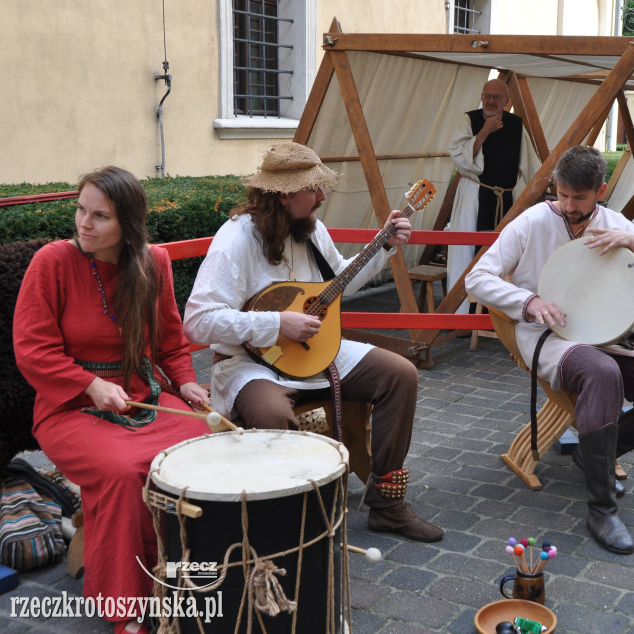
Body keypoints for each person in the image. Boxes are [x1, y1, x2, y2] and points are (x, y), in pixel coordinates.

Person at [183, 142, 443, 543]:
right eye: (313, 189)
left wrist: (384, 245)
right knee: (271, 415)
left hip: (317, 350)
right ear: (285, 195)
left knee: (400, 374)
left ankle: (387, 506)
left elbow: (338, 282)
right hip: (251, 363)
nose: (322, 196)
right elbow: (198, 322)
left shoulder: (312, 231)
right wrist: (275, 323)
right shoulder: (235, 242)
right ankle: (288, 520)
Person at [466, 145, 634, 555]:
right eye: (562, 195)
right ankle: (601, 509)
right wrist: (529, 302)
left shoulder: (616, 224)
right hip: (552, 337)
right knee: (601, 372)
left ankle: (596, 453)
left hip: (611, 335)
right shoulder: (534, 221)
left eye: (579, 197)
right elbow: (478, 278)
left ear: (601, 189)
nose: (569, 205)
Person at [13, 167, 210, 634]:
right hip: (71, 409)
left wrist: (185, 384)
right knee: (124, 473)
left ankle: (197, 576)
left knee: (206, 443)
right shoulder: (52, 262)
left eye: (100, 216)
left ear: (129, 225)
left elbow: (169, 343)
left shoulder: (153, 262)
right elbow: (32, 349)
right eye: (81, 209)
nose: (84, 223)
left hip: (146, 399)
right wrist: (88, 385)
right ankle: (128, 608)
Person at [448, 78, 533, 313]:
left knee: (504, 255)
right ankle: (463, 313)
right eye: (487, 96)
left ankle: (496, 313)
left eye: (497, 97)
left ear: (507, 101)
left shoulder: (516, 125)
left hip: (504, 200)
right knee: (467, 253)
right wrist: (485, 131)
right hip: (474, 197)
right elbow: (460, 157)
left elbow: (530, 164)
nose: (491, 101)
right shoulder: (468, 120)